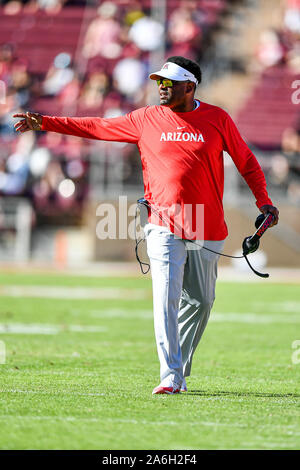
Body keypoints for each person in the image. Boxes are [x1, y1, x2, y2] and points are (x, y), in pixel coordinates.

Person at [13, 56, 279, 395]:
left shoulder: (217, 118)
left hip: (207, 225)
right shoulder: (145, 118)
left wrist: (264, 201)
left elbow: (247, 161)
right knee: (166, 296)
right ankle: (170, 375)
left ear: (189, 87)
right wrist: (46, 123)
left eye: (168, 83)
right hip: (162, 224)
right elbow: (97, 126)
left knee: (201, 301)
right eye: (159, 82)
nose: (161, 88)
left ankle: (178, 368)